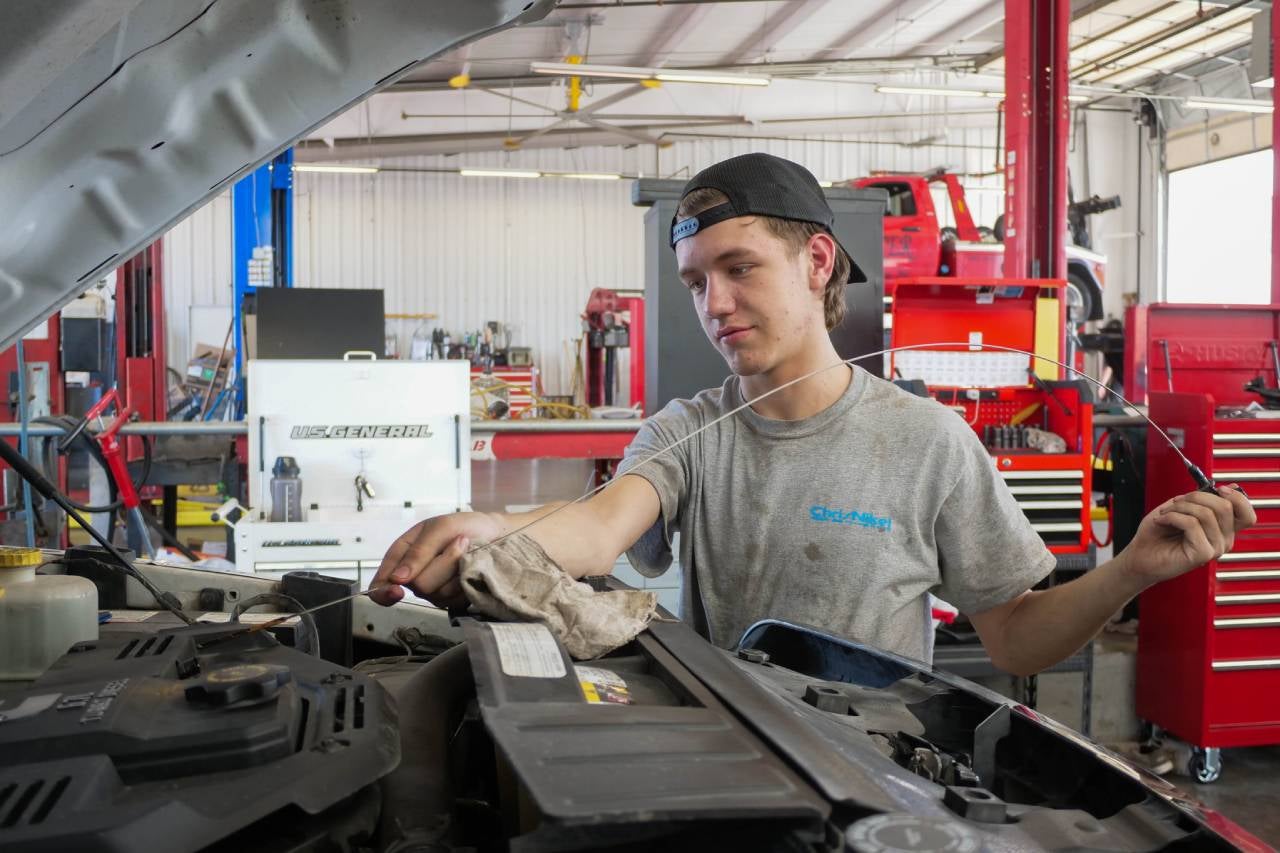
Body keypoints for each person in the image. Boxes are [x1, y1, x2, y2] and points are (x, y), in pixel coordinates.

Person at [371, 153, 1255, 675]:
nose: (713, 302)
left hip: (883, 781)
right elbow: (599, 530)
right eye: (694, 282)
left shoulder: (927, 443)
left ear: (819, 260)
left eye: (739, 268)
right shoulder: (688, 430)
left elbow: (1017, 637)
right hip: (736, 757)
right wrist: (488, 527)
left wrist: (1131, 569)